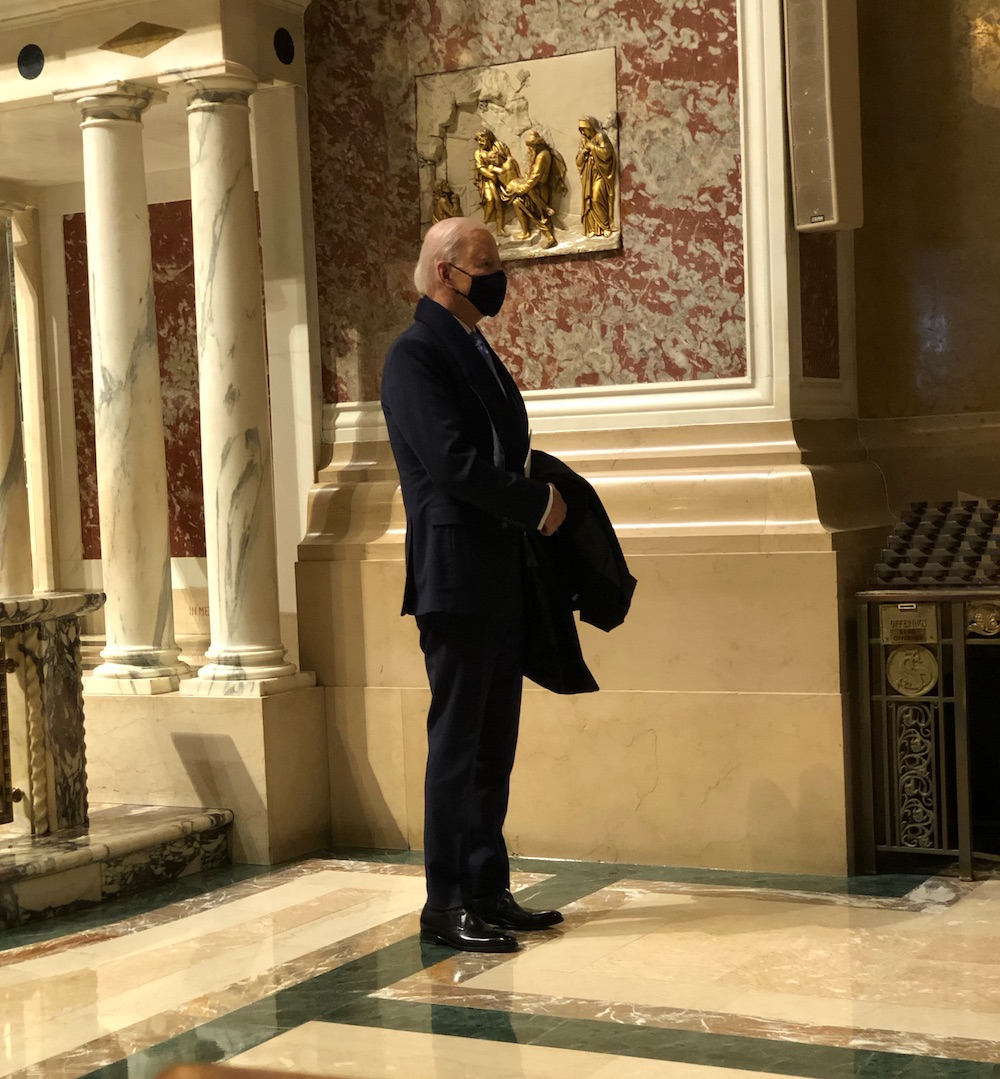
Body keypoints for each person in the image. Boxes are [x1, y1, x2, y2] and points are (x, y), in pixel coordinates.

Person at [380, 217, 568, 953]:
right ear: (442, 274)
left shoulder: (471, 346)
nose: (499, 277)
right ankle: (446, 901)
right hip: (455, 575)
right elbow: (454, 465)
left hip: (499, 571)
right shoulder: (415, 353)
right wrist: (533, 504)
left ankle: (488, 887)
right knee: (457, 744)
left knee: (494, 742)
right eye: (485, 264)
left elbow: (501, 446)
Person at [506, 129, 567, 248]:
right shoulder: (538, 154)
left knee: (542, 214)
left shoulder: (542, 156)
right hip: (534, 188)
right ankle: (526, 232)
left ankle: (551, 238)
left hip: (538, 189)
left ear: (535, 146)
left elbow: (535, 177)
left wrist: (522, 188)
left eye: (530, 147)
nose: (529, 150)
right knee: (517, 202)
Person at [473, 128, 520, 237]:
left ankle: (499, 229)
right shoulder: (479, 153)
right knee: (490, 201)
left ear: (488, 137)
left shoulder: (499, 146)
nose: (480, 142)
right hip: (488, 180)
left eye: (482, 139)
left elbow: (509, 158)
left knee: (499, 203)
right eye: (478, 140)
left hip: (502, 178)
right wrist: (491, 174)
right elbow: (480, 167)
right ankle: (482, 225)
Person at [576, 116, 617, 237]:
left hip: (600, 173)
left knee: (596, 197)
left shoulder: (600, 136)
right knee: (588, 200)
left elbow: (607, 154)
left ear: (591, 127)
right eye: (581, 130)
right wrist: (583, 153)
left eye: (585, 129)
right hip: (589, 175)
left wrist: (592, 147)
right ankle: (592, 228)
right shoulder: (583, 140)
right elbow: (578, 161)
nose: (583, 132)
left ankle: (605, 226)